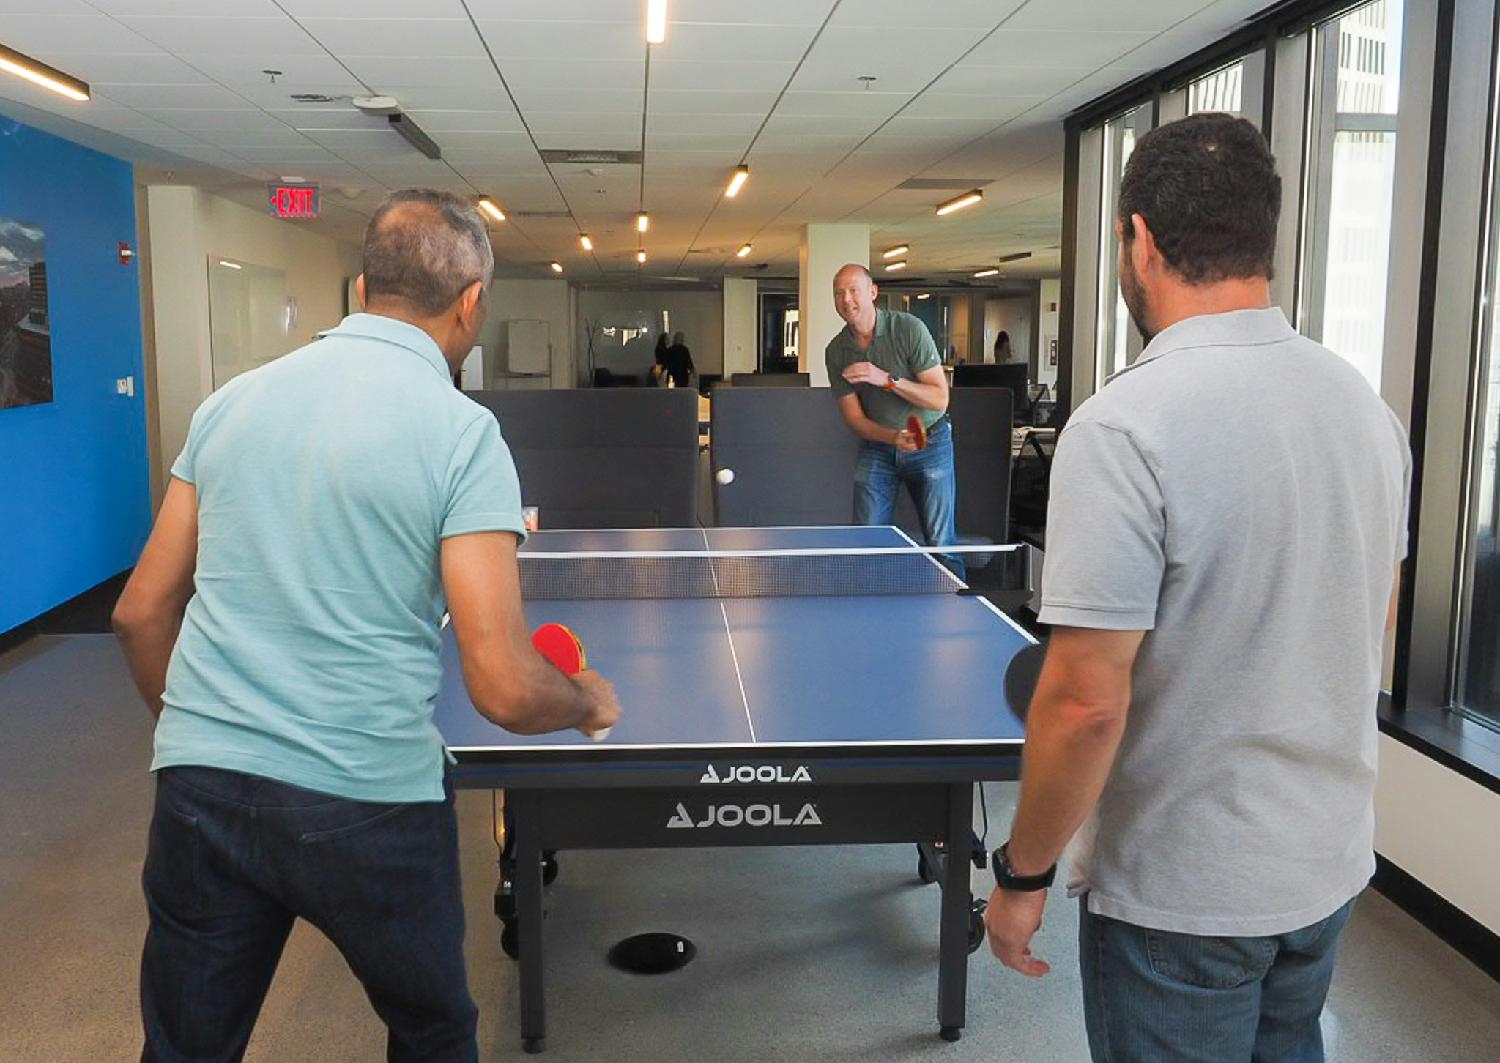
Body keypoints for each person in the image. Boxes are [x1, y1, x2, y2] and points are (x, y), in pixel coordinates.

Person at [112, 188, 621, 1063]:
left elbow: (140, 609)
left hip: (202, 786)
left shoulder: (229, 404)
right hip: (367, 797)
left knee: (185, 1048)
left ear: (359, 287)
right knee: (430, 1034)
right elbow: (499, 681)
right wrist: (582, 698)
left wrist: (208, 738)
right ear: (471, 302)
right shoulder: (462, 434)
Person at [983, 113, 1409, 1063]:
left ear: (1139, 240)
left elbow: (1086, 702)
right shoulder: (1368, 414)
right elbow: (1363, 626)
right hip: (1326, 864)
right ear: (1264, 233)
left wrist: (1022, 873)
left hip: (1186, 889)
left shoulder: (1125, 426)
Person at [825, 263, 956, 551]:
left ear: (872, 292)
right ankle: (867, 594)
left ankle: (953, 596)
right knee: (867, 541)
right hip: (879, 448)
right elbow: (854, 419)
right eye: (839, 293)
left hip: (930, 442)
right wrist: (894, 438)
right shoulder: (836, 351)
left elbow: (939, 398)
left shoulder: (909, 329)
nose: (846, 299)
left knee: (940, 541)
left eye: (853, 291)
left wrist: (886, 380)